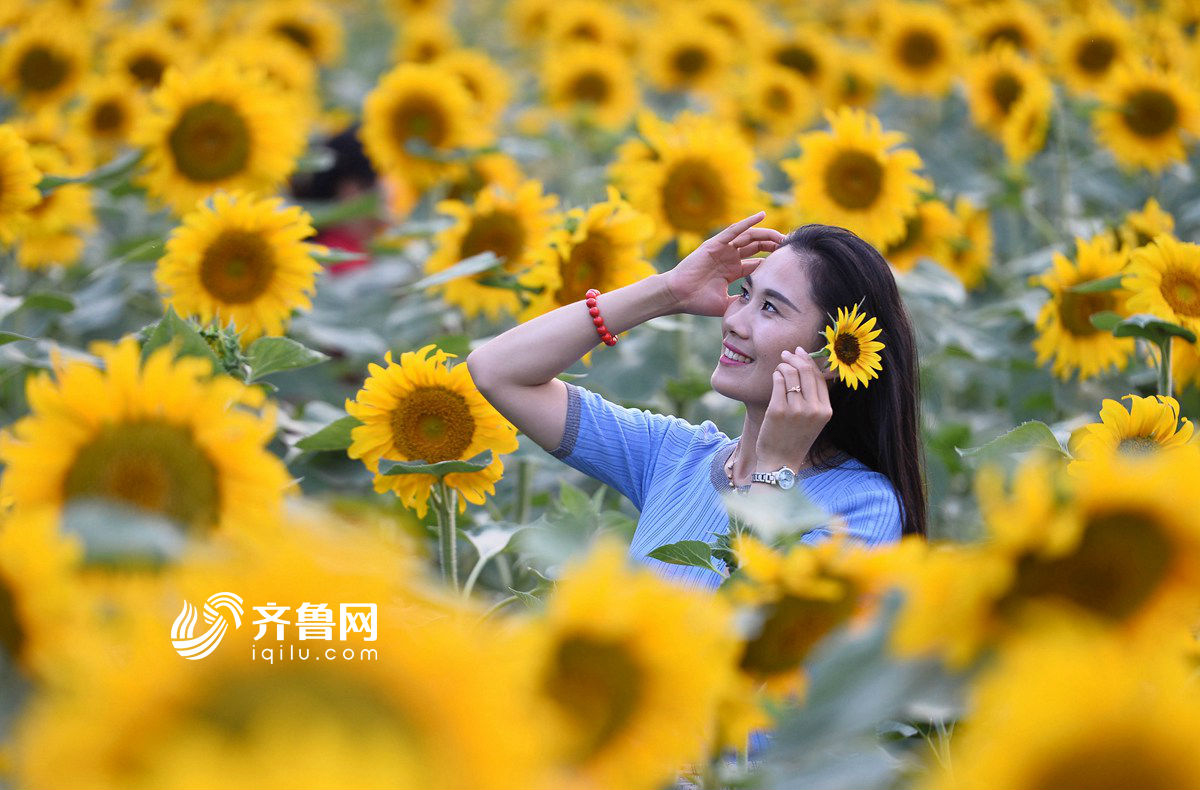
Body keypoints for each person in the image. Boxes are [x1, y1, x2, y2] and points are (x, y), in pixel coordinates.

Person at [466, 213, 925, 592]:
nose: (735, 321)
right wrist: (669, 291)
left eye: (770, 308)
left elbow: (754, 655)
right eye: (743, 294)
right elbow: (497, 370)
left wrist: (776, 466)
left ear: (836, 356)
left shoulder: (863, 508)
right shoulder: (676, 455)